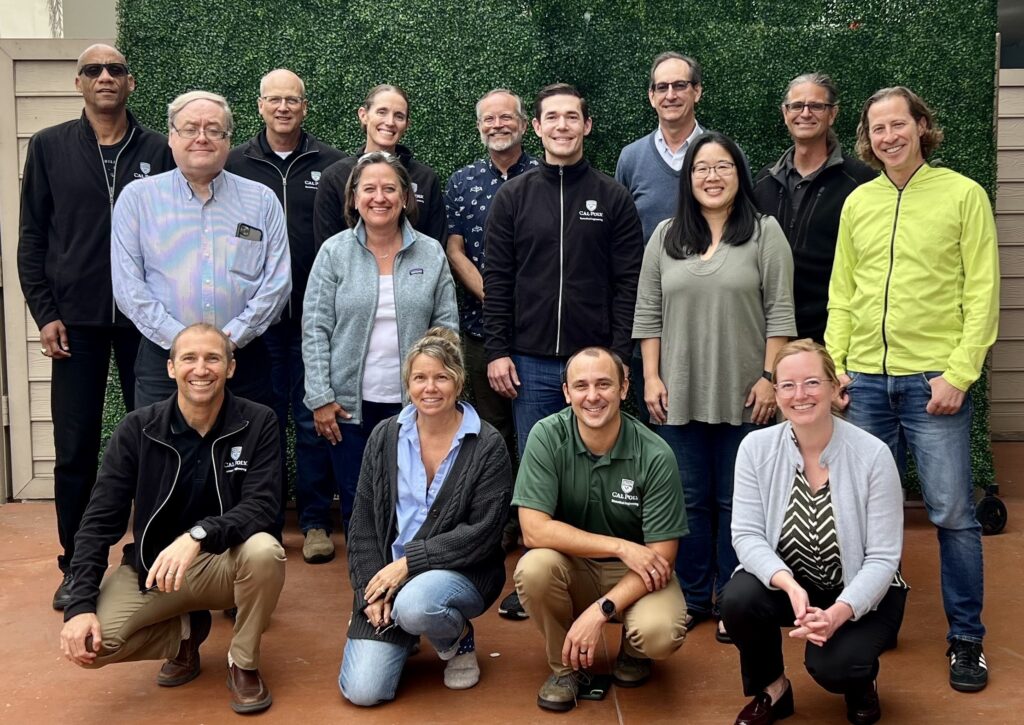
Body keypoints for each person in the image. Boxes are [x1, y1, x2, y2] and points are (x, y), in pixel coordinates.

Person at [826, 86, 1000, 693]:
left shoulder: (963, 195)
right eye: (877, 128)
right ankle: (873, 620)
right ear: (867, 138)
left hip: (933, 386)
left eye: (898, 124)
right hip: (865, 384)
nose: (889, 136)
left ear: (922, 126)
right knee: (866, 515)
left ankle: (967, 640)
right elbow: (843, 292)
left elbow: (983, 291)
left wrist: (959, 374)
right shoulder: (859, 202)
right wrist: (837, 364)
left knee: (952, 515)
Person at [58, 323, 287, 715]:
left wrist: (198, 535)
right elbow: (99, 521)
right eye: (189, 358)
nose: (201, 369)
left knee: (265, 550)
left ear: (230, 367)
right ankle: (184, 634)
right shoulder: (137, 429)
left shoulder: (258, 421)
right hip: (155, 570)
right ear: (170, 367)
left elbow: (263, 505)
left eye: (213, 358)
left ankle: (243, 663)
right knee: (93, 646)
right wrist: (79, 607)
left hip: (226, 563)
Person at [17, 43, 174, 610]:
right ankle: (76, 564)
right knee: (75, 448)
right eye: (93, 70)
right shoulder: (49, 146)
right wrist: (45, 313)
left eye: (116, 69)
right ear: (78, 82)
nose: (105, 76)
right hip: (75, 323)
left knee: (156, 440)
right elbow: (32, 237)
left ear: (130, 83)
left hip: (145, 321)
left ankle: (148, 554)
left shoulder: (160, 149)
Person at [483, 82, 644, 620]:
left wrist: (618, 357)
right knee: (541, 475)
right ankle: (539, 579)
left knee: (597, 474)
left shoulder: (612, 197)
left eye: (571, 117)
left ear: (586, 125)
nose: (562, 126)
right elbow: (497, 279)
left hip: (594, 366)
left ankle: (601, 580)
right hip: (529, 362)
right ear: (537, 127)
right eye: (551, 117)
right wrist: (498, 349)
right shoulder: (513, 197)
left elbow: (628, 283)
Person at [633, 131, 795, 642]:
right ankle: (692, 594)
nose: (712, 176)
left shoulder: (765, 233)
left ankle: (732, 597)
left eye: (723, 166)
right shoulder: (665, 236)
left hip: (747, 394)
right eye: (702, 168)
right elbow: (648, 313)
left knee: (736, 501)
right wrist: (651, 376)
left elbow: (781, 313)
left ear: (739, 175)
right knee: (687, 499)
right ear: (688, 179)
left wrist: (769, 378)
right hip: (677, 392)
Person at [720, 340, 907, 725]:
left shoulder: (873, 455)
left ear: (835, 388)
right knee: (738, 598)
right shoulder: (756, 448)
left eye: (811, 383)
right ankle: (773, 690)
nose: (799, 394)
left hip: (862, 591)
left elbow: (883, 558)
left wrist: (838, 613)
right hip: (796, 586)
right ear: (776, 393)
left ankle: (860, 681)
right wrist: (788, 584)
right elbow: (747, 535)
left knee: (835, 667)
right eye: (787, 385)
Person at [339, 328, 513, 705]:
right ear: (408, 383)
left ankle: (455, 639)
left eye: (441, 377)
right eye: (420, 377)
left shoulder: (487, 445)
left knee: (416, 605)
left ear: (459, 382)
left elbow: (482, 533)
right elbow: (364, 523)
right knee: (364, 692)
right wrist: (369, 592)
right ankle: (404, 625)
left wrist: (407, 566)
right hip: (389, 577)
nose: (430, 388)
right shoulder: (384, 437)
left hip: (461, 574)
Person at [513, 347, 689, 712]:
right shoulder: (546, 436)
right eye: (581, 386)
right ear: (567, 393)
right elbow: (533, 531)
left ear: (624, 388)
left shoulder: (655, 454)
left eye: (604, 384)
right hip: (575, 567)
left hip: (638, 573)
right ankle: (566, 669)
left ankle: (634, 651)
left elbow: (662, 557)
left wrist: (600, 610)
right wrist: (621, 546)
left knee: (660, 633)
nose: (592, 396)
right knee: (533, 569)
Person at [225, 69, 346, 561]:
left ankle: (315, 521)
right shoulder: (234, 164)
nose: (282, 107)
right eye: (273, 99)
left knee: (314, 416)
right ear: (259, 105)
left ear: (304, 106)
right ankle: (267, 522)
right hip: (256, 323)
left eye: (291, 100)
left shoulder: (333, 165)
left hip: (315, 320)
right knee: (263, 422)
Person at [302, 151, 458, 535]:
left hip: (415, 406)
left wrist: (441, 392)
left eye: (389, 189)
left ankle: (406, 573)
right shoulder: (334, 252)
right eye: (369, 189)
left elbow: (447, 330)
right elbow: (315, 328)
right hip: (348, 409)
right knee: (360, 507)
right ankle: (367, 575)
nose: (379, 197)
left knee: (412, 507)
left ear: (405, 197)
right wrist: (320, 396)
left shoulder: (431, 253)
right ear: (354, 197)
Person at [111, 90, 291, 409]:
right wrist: (185, 345)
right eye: (190, 128)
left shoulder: (262, 201)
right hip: (164, 361)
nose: (202, 138)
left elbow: (277, 284)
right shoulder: (137, 200)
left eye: (214, 130)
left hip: (244, 359)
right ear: (171, 136)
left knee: (247, 442)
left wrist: (229, 340)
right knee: (161, 442)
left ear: (228, 139)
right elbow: (128, 287)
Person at [444, 87, 539, 471]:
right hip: (481, 329)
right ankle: (498, 507)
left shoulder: (546, 176)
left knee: (542, 431)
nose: (497, 125)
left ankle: (540, 507)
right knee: (491, 432)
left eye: (506, 117)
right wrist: (497, 298)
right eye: (489, 118)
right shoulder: (462, 181)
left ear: (523, 125)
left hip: (539, 331)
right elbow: (454, 249)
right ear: (479, 126)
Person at [752, 73, 875, 344]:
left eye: (816, 106)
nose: (805, 113)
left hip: (832, 336)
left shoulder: (860, 181)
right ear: (785, 113)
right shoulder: (763, 181)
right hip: (769, 335)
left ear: (832, 114)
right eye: (797, 106)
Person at [314, 84, 445, 244]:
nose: (390, 122)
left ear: (407, 124)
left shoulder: (426, 179)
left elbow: (436, 245)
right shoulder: (335, 177)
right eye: (382, 112)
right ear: (363, 115)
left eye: (399, 116)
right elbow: (327, 246)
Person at [615, 51, 705, 243]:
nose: (670, 95)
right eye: (662, 87)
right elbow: (619, 232)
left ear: (697, 91)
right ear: (652, 96)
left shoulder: (725, 154)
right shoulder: (631, 158)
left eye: (680, 85)